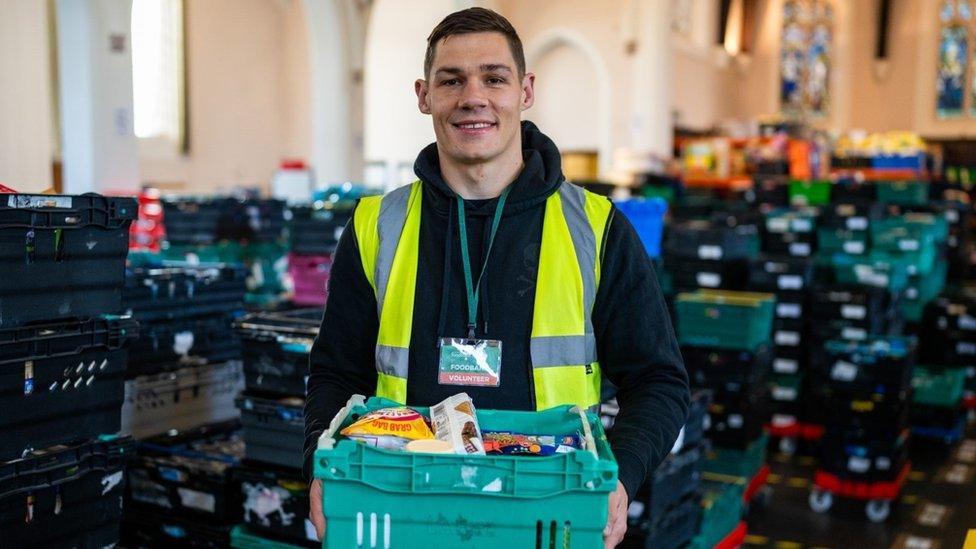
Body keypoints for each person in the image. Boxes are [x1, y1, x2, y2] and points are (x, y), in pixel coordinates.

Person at [304, 7, 689, 548]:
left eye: (494, 77)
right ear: (423, 95)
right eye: (451, 80)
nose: (473, 97)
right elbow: (334, 374)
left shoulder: (596, 230)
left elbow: (660, 381)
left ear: (526, 90)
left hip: (547, 517)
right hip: (401, 511)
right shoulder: (376, 228)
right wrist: (319, 467)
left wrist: (619, 477)